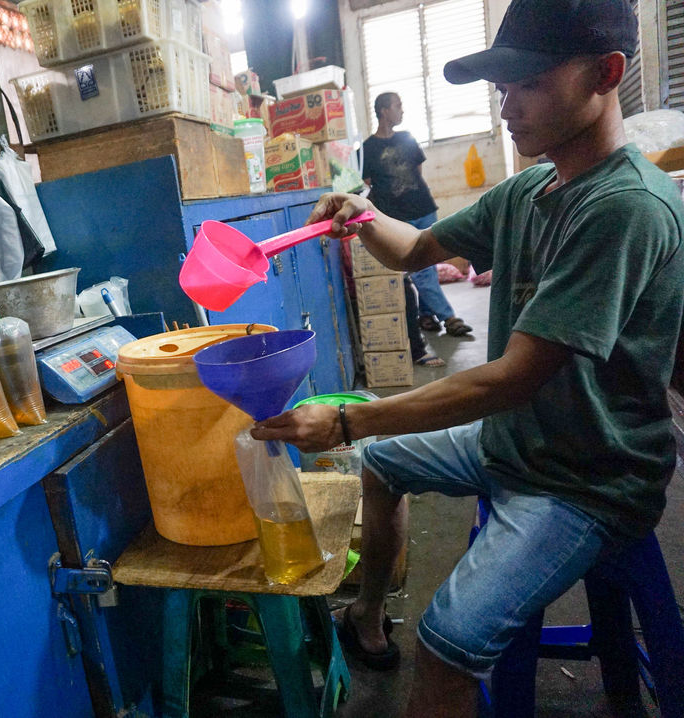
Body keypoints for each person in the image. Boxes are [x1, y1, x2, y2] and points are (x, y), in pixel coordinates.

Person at [252, 1, 684, 716]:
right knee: (386, 467)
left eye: (528, 84)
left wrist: (350, 420)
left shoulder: (622, 207)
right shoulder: (527, 190)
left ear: (606, 73)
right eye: (501, 86)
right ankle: (366, 618)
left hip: (587, 474)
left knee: (449, 641)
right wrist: (358, 216)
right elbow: (417, 249)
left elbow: (511, 378)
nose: (506, 104)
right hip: (523, 439)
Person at [362, 92, 474, 337]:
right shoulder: (369, 147)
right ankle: (449, 317)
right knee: (419, 269)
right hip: (398, 218)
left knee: (428, 266)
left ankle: (425, 315)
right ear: (383, 111)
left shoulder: (407, 138)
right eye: (397, 106)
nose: (402, 110)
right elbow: (369, 180)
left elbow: (417, 171)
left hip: (423, 209)